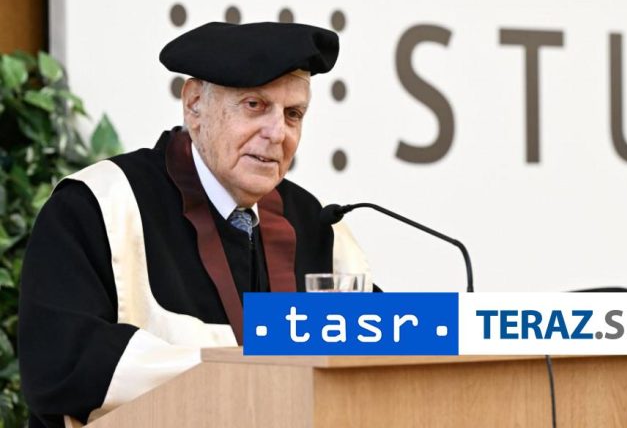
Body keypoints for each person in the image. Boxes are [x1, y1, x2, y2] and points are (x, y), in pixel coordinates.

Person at [18, 22, 370, 428]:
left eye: (293, 114)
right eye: (255, 105)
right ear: (194, 105)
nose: (278, 133)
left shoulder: (315, 223)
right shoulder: (97, 206)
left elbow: (382, 345)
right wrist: (255, 363)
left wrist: (443, 327)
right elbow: (60, 366)